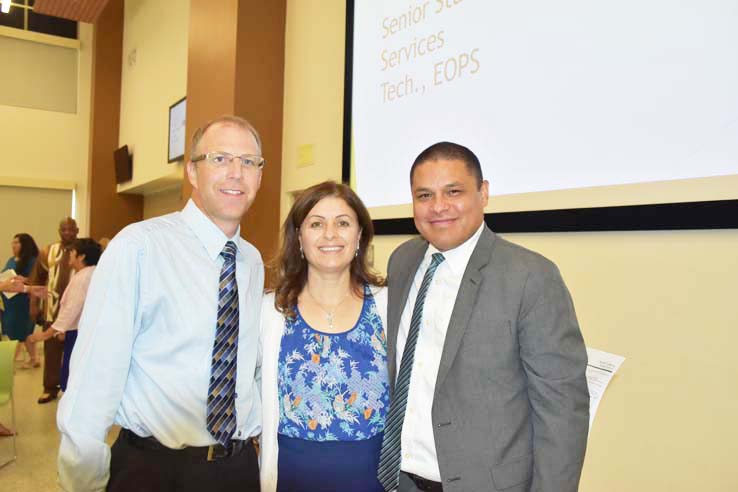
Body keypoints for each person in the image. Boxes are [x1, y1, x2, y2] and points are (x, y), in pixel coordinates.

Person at [57, 116, 266, 491]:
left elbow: (246, 366)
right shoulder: (139, 247)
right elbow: (94, 376)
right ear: (192, 171)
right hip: (154, 470)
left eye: (249, 162)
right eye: (220, 159)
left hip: (235, 471)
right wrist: (83, 482)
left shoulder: (251, 262)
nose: (237, 173)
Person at [377, 142, 589, 492]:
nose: (439, 207)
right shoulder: (402, 260)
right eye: (424, 195)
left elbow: (563, 413)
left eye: (454, 191)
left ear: (484, 193)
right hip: (401, 480)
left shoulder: (531, 277)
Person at [260, 181, 389, 492]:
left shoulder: (389, 304)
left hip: (374, 479)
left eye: (343, 223)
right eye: (316, 224)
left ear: (359, 235)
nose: (330, 234)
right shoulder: (270, 311)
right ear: (299, 238)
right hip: (292, 478)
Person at [28, 238, 102, 392]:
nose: (69, 255)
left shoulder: (82, 278)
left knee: (72, 379)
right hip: (83, 332)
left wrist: (44, 335)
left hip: (78, 335)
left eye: (72, 252)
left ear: (81, 256)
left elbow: (71, 310)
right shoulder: (93, 273)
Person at [28, 218, 79, 403]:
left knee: (77, 352)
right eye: (63, 229)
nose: (67, 233)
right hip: (52, 310)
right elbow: (36, 280)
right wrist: (33, 305)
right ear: (59, 231)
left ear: (77, 230)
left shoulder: (83, 250)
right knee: (51, 351)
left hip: (77, 313)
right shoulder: (47, 251)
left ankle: (74, 389)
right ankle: (50, 388)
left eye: (71, 229)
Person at [0, 233, 40, 368]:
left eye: (17, 242)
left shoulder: (32, 260)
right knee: (14, 330)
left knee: (21, 331)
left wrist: (25, 280)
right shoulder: (11, 260)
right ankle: (34, 358)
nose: (13, 245)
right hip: (9, 300)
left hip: (23, 301)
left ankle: (9, 362)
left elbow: (38, 280)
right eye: (13, 242)